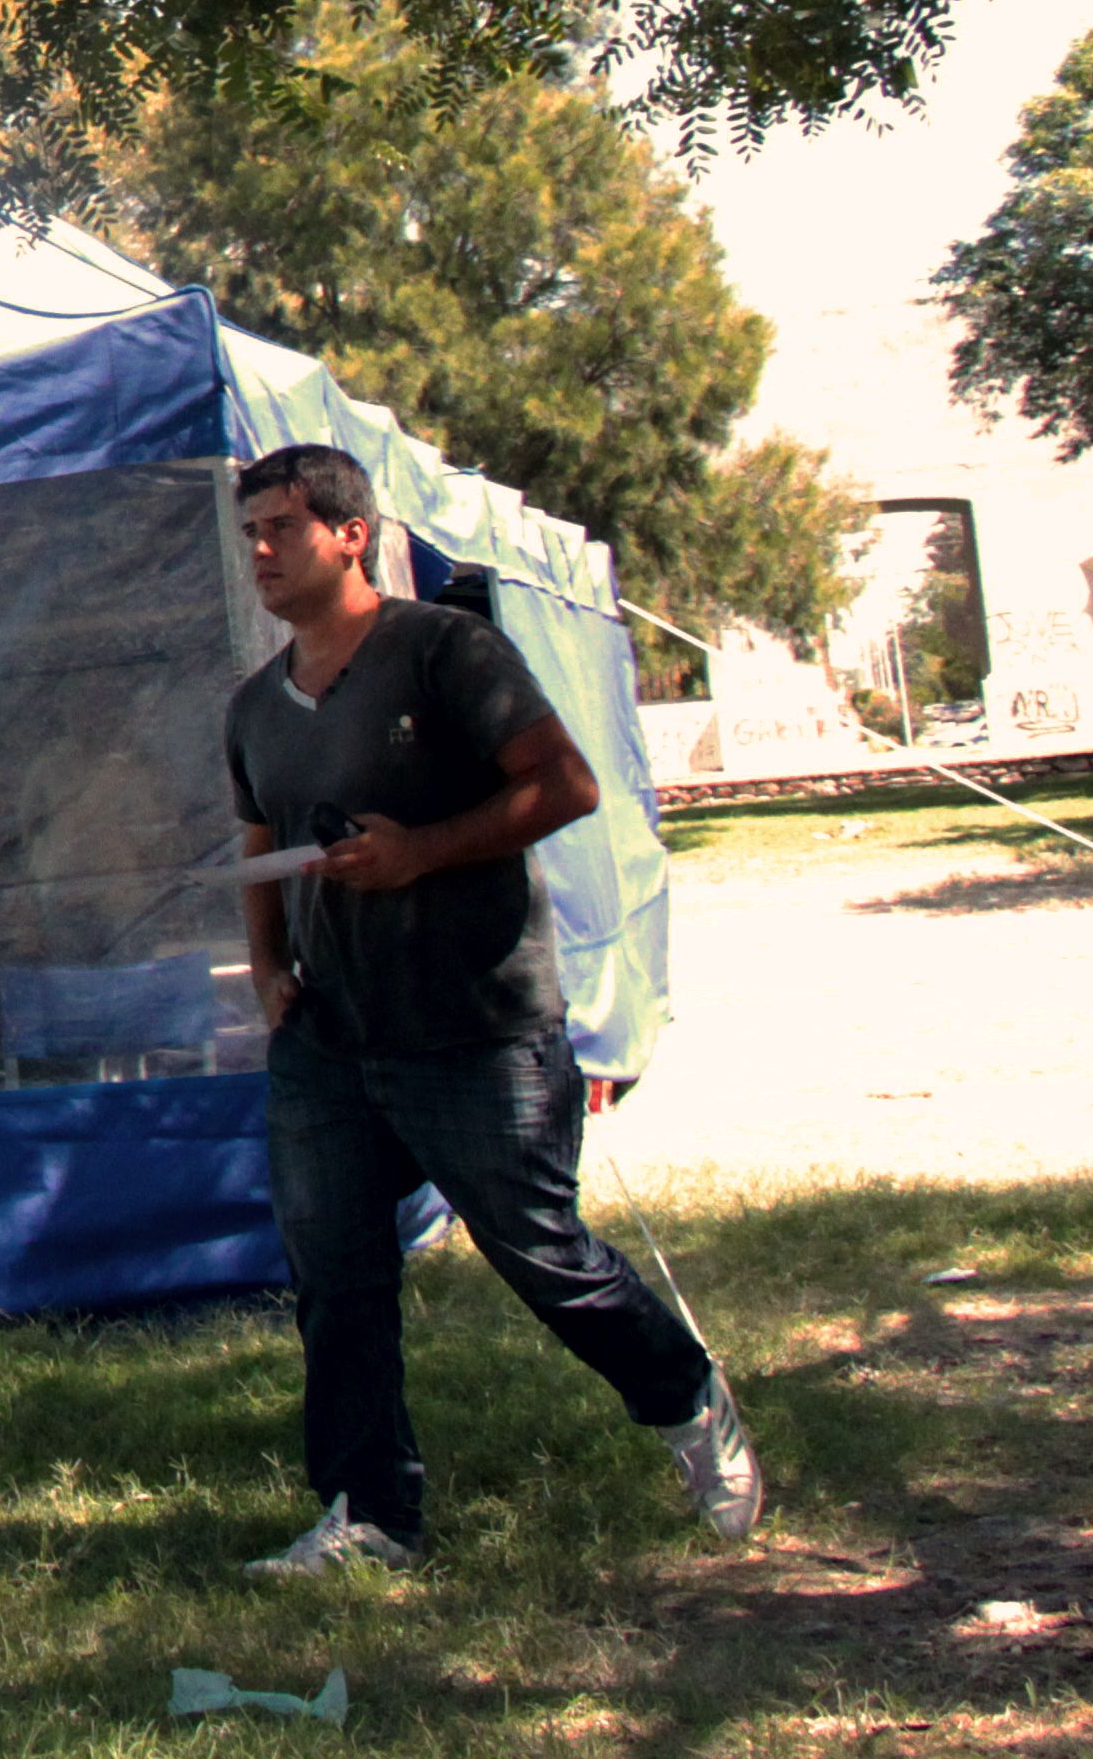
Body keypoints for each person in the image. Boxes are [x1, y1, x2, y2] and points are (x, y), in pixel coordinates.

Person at [221, 443, 757, 1574]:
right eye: (251, 531)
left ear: (350, 532)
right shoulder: (253, 707)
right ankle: (370, 1516)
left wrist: (422, 852)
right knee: (338, 1277)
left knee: (542, 1251)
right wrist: (269, 971)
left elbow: (565, 783)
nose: (260, 550)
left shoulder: (446, 649)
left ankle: (690, 1402)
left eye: (281, 527)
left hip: (473, 1023)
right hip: (326, 1041)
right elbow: (258, 847)